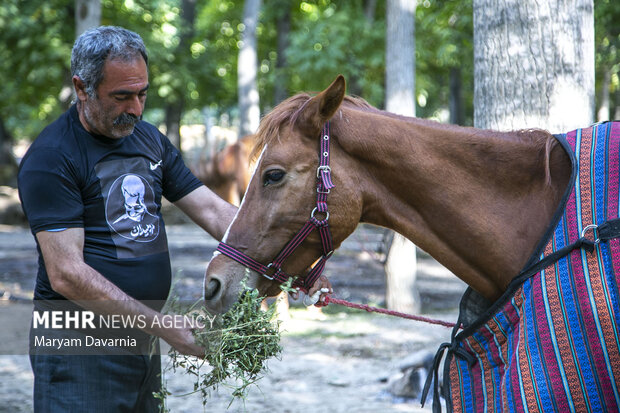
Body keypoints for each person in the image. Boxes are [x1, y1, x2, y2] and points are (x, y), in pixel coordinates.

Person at [17, 26, 237, 412]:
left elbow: (214, 211)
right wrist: (166, 327)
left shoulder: (148, 138)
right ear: (82, 88)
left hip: (140, 339)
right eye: (121, 96)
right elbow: (66, 273)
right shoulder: (53, 157)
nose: (136, 108)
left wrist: (291, 255)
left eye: (142, 94)